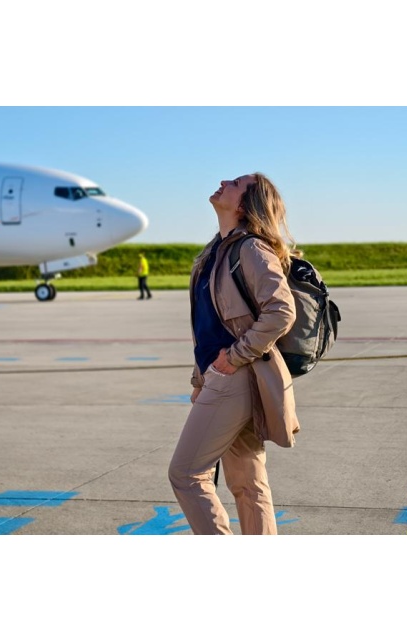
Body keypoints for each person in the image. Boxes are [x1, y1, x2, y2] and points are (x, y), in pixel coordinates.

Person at [168, 172, 301, 535]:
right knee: (247, 483)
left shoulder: (250, 249)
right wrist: (200, 379)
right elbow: (209, 326)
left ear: (244, 204)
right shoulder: (216, 251)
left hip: (237, 376)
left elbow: (281, 311)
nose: (224, 181)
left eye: (236, 183)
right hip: (227, 375)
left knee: (186, 474)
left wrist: (233, 357)